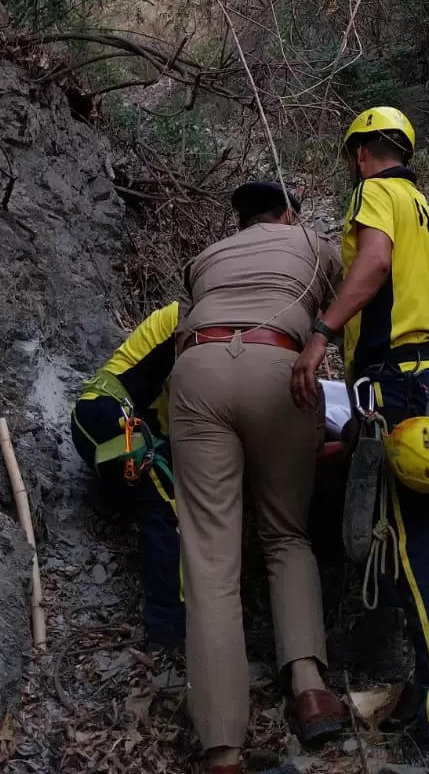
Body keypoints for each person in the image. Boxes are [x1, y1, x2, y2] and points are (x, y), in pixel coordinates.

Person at [290, 107, 429, 774]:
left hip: (400, 382)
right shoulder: (425, 208)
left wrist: (321, 331)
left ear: (360, 155)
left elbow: (371, 265)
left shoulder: (375, 191)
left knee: (418, 546)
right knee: (414, 541)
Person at [169, 178, 347, 774]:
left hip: (197, 370)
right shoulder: (312, 241)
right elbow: (347, 301)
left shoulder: (205, 259)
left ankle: (222, 745)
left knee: (211, 557)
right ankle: (309, 687)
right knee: (286, 534)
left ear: (240, 224)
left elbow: (184, 322)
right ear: (288, 212)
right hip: (280, 369)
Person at [70, 301, 183, 648]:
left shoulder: (192, 317)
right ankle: (168, 629)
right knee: (168, 505)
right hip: (108, 413)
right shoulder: (190, 318)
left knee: (160, 495)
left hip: (101, 415)